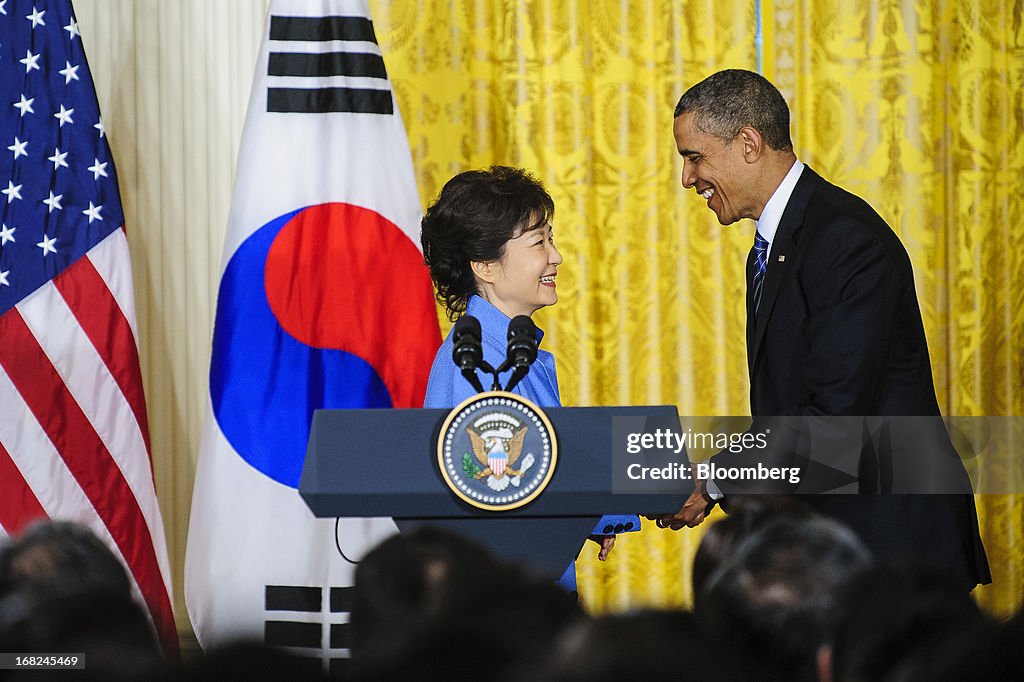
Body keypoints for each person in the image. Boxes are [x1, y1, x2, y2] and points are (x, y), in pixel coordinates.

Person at [658, 69, 989, 590]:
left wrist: (714, 479)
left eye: (694, 156)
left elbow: (833, 418)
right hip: (838, 535)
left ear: (748, 143)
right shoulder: (781, 243)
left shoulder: (842, 239)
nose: (687, 178)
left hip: (893, 546)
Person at [420, 166, 640, 590]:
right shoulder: (474, 363)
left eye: (550, 239)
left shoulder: (519, 356)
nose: (555, 255)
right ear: (485, 264)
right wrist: (627, 501)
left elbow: (542, 471)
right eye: (539, 242)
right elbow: (502, 489)